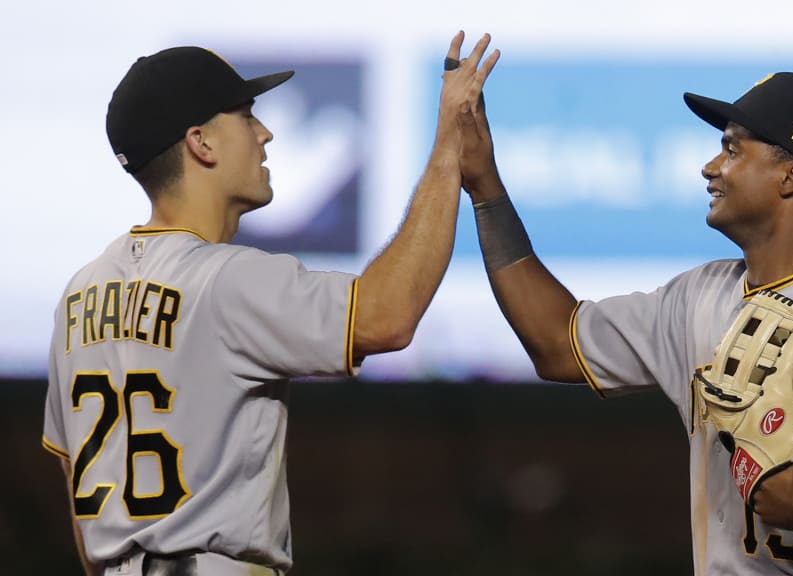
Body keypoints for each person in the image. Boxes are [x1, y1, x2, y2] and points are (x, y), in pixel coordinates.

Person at [456, 69, 793, 574]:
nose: (711, 167)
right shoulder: (699, 295)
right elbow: (556, 343)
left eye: (733, 149)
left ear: (791, 177)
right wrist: (485, 190)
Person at [41, 32, 499, 576]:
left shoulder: (79, 294)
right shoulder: (225, 280)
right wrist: (448, 152)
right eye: (244, 116)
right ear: (201, 143)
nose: (265, 133)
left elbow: (77, 492)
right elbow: (388, 316)